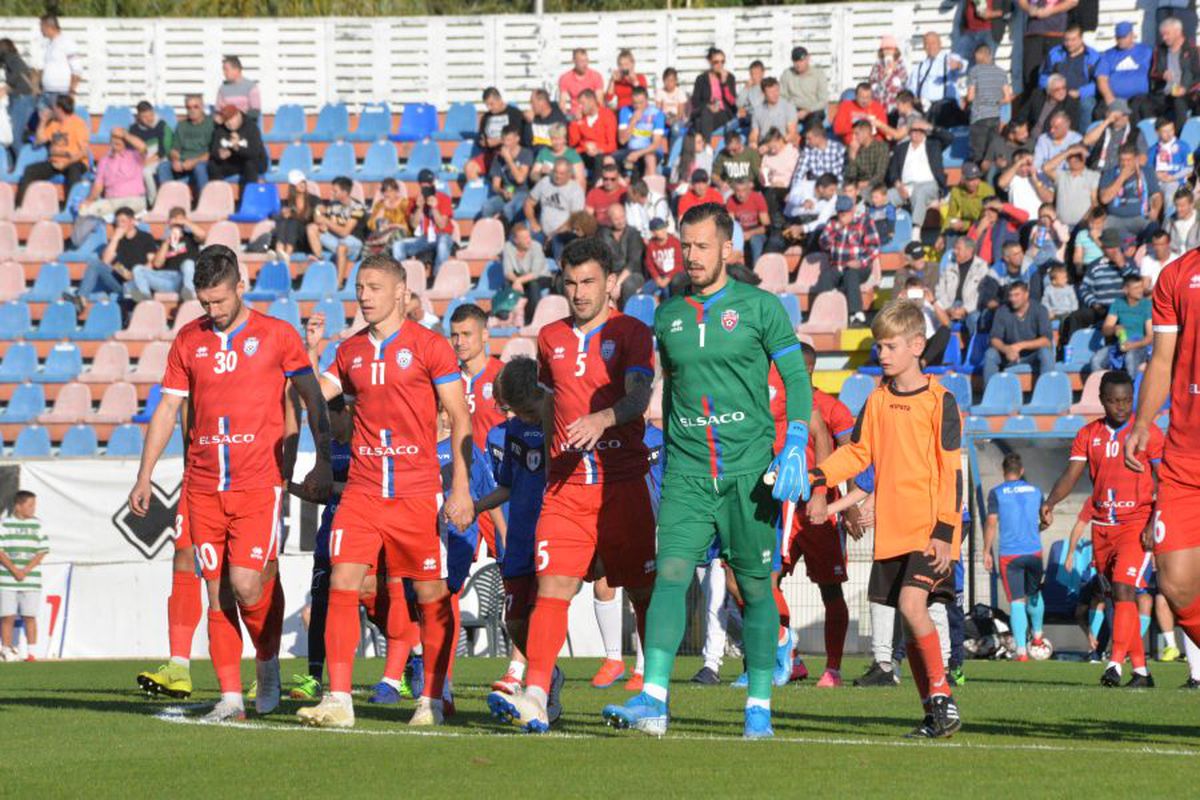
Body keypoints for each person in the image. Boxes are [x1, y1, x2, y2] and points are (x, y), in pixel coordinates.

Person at [602, 203, 814, 740]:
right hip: (688, 475)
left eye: (701, 246)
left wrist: (793, 444)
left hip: (749, 476)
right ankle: (652, 698)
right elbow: (669, 392)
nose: (690, 256)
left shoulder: (761, 308)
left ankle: (759, 705)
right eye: (685, 245)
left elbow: (796, 379)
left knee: (755, 590)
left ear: (726, 249)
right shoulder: (668, 315)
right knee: (671, 577)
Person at [130, 245, 332, 723]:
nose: (213, 311)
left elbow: (312, 399)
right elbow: (166, 409)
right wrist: (145, 474)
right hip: (202, 486)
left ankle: (266, 665)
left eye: (219, 301)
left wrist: (321, 460)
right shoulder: (188, 340)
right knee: (216, 587)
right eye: (205, 303)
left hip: (258, 482)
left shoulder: (278, 336)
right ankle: (230, 698)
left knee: (247, 583)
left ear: (241, 285)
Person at [486, 236, 655, 733]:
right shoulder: (549, 337)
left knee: (642, 593)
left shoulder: (632, 332)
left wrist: (603, 418)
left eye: (589, 282)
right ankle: (536, 694)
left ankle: (651, 693)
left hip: (622, 482)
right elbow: (550, 404)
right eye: (571, 282)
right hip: (564, 487)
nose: (579, 292)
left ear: (610, 283)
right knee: (552, 586)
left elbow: (639, 396)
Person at [296, 254, 470, 728]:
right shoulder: (349, 351)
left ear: (400, 293)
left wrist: (460, 486)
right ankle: (338, 699)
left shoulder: (430, 346)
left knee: (431, 594)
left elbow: (460, 417)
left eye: (374, 287)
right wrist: (301, 367)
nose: (364, 295)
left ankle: (433, 696)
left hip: (416, 491)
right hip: (364, 489)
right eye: (359, 287)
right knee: (341, 584)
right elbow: (314, 395)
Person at [810, 300, 963, 737]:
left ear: (918, 345)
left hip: (930, 530)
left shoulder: (941, 401)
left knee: (914, 606)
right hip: (891, 532)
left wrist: (944, 532)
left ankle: (943, 699)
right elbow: (857, 454)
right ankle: (933, 710)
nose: (882, 354)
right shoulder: (876, 400)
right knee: (908, 619)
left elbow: (951, 470)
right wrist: (818, 476)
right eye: (878, 346)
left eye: (890, 346)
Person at [1045, 371, 1163, 687]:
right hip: (1102, 526)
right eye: (1114, 401)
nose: (1121, 407)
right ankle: (1142, 672)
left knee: (1125, 589)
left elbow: (1164, 480)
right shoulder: (1088, 434)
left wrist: (1155, 521)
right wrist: (1051, 502)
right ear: (1102, 401)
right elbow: (1071, 475)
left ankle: (1114, 664)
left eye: (1126, 400)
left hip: (1137, 523)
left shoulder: (1147, 432)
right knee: (1117, 596)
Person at [1126, 222, 1200, 690]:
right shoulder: (1176, 275)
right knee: (1174, 582)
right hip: (1184, 456)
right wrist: (1141, 423)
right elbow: (1161, 360)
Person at [773, 342, 855, 687]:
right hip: (781, 506)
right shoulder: (778, 401)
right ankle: (789, 656)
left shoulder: (831, 407)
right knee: (766, 581)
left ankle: (833, 667)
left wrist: (851, 505)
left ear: (804, 369)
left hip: (820, 509)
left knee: (830, 590)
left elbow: (852, 455)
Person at [474, 356, 547, 697]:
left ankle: (538, 684)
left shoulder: (559, 426)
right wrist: (474, 508)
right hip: (519, 536)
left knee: (543, 607)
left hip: (551, 534)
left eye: (527, 409)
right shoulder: (511, 433)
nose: (523, 417)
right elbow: (506, 486)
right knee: (515, 620)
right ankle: (545, 673)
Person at [449, 303, 508, 555]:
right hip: (462, 485)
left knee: (511, 570)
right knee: (449, 572)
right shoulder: (446, 380)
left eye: (466, 334)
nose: (459, 341)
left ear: (485, 335)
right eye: (454, 335)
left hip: (498, 488)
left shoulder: (503, 376)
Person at [983, 454, 1047, 661]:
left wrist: (986, 551)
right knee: (1035, 593)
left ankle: (1021, 652)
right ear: (1021, 471)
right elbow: (1048, 519)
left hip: (1010, 555)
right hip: (1034, 551)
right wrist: (1035, 529)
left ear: (1004, 472)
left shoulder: (997, 493)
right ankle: (1037, 637)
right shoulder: (1036, 491)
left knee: (1017, 601)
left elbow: (991, 523)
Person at [818, 195, 881, 327]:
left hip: (860, 267)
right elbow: (823, 243)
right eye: (840, 212)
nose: (842, 215)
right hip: (838, 266)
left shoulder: (864, 221)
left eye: (845, 212)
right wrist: (837, 229)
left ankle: (856, 315)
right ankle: (827, 314)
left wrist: (861, 262)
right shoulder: (832, 223)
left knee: (851, 273)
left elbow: (874, 247)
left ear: (852, 210)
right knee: (826, 277)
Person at [15, 94, 88, 207]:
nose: (51, 110)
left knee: (74, 172)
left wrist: (66, 163)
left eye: (53, 107)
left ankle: (70, 208)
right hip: (54, 162)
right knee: (29, 171)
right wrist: (43, 121)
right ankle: (19, 206)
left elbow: (83, 152)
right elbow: (39, 140)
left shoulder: (78, 123)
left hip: (73, 161)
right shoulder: (53, 124)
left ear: (59, 109)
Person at [0, 491, 47, 662]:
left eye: (34, 505)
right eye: (30, 505)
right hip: (6, 579)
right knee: (7, 616)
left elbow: (42, 551)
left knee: (29, 616)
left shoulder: (39, 525)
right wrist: (14, 569)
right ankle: (5, 650)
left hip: (31, 579)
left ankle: (32, 653)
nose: (33, 509)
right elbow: (0, 550)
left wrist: (25, 570)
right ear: (18, 506)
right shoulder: (4, 524)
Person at [76, 206, 157, 303]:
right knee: (94, 263)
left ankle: (142, 301)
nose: (120, 225)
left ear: (132, 221)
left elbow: (151, 263)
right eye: (117, 222)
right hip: (121, 284)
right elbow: (106, 261)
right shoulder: (116, 240)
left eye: (123, 221)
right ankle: (81, 300)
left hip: (138, 283)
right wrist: (115, 238)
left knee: (134, 293)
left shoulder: (146, 237)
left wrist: (135, 276)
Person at [983, 280, 1054, 384]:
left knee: (1045, 352)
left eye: (1017, 295)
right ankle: (990, 395)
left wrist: (1020, 346)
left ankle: (1047, 393)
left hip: (1032, 355)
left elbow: (1046, 340)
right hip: (1008, 354)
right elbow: (994, 338)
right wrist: (1006, 349)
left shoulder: (1040, 310)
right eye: (1010, 295)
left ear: (1026, 295)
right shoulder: (1002, 310)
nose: (1012, 299)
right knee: (990, 354)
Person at [885, 116, 945, 237]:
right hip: (906, 186)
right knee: (887, 196)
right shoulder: (901, 148)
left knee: (920, 192)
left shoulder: (933, 145)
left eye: (919, 130)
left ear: (924, 131)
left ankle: (916, 231)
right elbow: (892, 171)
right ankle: (889, 231)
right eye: (913, 130)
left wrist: (929, 127)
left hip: (929, 184)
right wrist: (898, 184)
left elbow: (949, 137)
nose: (916, 133)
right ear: (909, 131)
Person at [1037, 24, 1100, 129]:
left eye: (1073, 40)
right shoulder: (1055, 53)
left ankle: (1083, 139)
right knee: (1037, 97)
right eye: (1066, 40)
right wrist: (1052, 89)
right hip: (1057, 92)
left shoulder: (1092, 56)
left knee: (1087, 105)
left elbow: (1099, 82)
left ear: (1081, 39)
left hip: (1081, 95)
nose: (1069, 44)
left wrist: (1080, 92)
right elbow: (1043, 76)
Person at [1091, 273, 1153, 376]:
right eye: (1136, 288)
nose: (1140, 290)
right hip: (1120, 345)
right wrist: (1114, 329)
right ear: (1126, 290)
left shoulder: (1147, 305)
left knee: (1130, 358)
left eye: (1141, 287)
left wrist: (1133, 345)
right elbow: (1105, 329)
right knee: (1096, 360)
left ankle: (1131, 390)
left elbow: (1150, 336)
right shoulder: (1118, 303)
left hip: (1140, 346)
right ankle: (1102, 389)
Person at [79, 128, 148, 218]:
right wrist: (88, 201)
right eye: (114, 138)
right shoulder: (104, 160)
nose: (116, 141)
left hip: (133, 199)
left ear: (125, 141)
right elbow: (98, 185)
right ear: (110, 141)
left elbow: (143, 147)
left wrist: (124, 134)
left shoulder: (135, 156)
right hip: (111, 201)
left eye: (119, 139)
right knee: (85, 212)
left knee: (123, 214)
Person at [135, 206, 201, 300]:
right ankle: (146, 302)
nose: (176, 223)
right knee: (138, 269)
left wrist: (185, 222)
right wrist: (166, 242)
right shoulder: (163, 242)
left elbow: (203, 235)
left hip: (183, 278)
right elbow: (157, 264)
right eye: (173, 219)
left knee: (188, 264)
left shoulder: (190, 237)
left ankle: (188, 294)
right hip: (166, 279)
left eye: (179, 220)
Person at [525, 158, 586, 260]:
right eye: (555, 172)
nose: (557, 176)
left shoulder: (576, 191)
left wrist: (554, 234)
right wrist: (533, 222)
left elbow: (575, 219)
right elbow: (529, 203)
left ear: (569, 174)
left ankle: (560, 270)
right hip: (541, 231)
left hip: (563, 233)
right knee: (526, 241)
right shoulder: (545, 182)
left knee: (559, 243)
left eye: (562, 174)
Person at [1098, 143, 1162, 240]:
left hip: (1140, 217)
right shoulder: (1109, 173)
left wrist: (1155, 209)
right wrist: (1122, 177)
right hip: (1115, 218)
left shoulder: (1147, 171)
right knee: (1100, 230)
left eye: (1128, 160)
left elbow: (1157, 195)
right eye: (1122, 160)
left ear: (1136, 159)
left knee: (1153, 228)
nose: (1125, 164)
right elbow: (1104, 199)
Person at [310, 176, 366, 285]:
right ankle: (320, 260)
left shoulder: (357, 207)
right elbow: (320, 220)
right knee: (312, 228)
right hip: (336, 239)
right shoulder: (333, 205)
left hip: (352, 242)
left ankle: (338, 284)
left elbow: (345, 232)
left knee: (342, 247)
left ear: (345, 192)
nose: (332, 193)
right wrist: (318, 212)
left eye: (335, 191)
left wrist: (326, 222)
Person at [1016, 0, 1077, 99]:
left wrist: (1051, 11)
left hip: (1056, 33)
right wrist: (1029, 8)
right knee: (1030, 77)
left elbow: (1073, 2)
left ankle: (1056, 110)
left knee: (1056, 74)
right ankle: (1033, 108)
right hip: (1033, 33)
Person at [1096, 21, 1155, 122]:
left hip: (1139, 97)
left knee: (1142, 108)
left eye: (1124, 37)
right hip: (1115, 97)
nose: (1121, 40)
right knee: (1099, 112)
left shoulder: (1146, 51)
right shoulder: (1108, 55)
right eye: (1118, 37)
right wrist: (1110, 99)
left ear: (1132, 35)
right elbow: (1101, 79)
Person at [397, 170, 455, 269]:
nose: (426, 188)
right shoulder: (414, 201)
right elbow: (414, 225)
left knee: (442, 244)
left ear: (433, 184)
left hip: (442, 235)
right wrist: (419, 208)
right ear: (419, 185)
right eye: (424, 186)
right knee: (398, 245)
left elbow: (442, 225)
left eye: (429, 185)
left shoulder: (444, 198)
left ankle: (438, 277)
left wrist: (434, 208)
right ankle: (400, 276)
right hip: (424, 238)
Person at [967, 44, 1013, 165]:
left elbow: (970, 97)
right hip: (995, 117)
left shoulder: (974, 71)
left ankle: (981, 181)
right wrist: (995, 102)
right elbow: (1007, 98)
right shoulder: (1001, 72)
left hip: (979, 117)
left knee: (979, 154)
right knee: (991, 153)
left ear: (978, 55)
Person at [907, 31, 966, 126]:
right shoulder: (919, 67)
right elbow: (911, 90)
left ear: (940, 44)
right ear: (923, 47)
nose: (930, 46)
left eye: (933, 43)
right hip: (925, 111)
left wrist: (959, 65)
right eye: (927, 44)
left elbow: (964, 67)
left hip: (946, 110)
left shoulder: (950, 59)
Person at [1149, 17, 1200, 125]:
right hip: (1164, 93)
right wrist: (1162, 75)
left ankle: (1180, 137)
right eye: (1162, 35)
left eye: (1167, 34)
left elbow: (1197, 75)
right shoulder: (1160, 51)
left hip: (1187, 93)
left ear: (1178, 32)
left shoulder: (1192, 50)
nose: (1164, 38)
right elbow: (1153, 73)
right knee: (1142, 103)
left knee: (1179, 101)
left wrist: (1185, 89)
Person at [163, 94, 213, 197]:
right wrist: (175, 160)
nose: (192, 110)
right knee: (163, 167)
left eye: (196, 107)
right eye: (188, 107)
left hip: (203, 161)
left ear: (202, 107)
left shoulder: (211, 124)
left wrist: (195, 161)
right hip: (183, 162)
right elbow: (174, 149)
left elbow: (213, 152)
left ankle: (204, 201)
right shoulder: (182, 125)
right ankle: (168, 200)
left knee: (199, 168)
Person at [207, 105, 266, 194]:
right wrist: (220, 154)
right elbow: (214, 150)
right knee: (213, 165)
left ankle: (249, 199)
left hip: (254, 161)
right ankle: (218, 197)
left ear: (238, 115)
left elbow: (255, 153)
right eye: (226, 121)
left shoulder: (251, 127)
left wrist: (237, 148)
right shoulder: (221, 129)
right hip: (233, 162)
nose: (229, 123)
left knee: (249, 164)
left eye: (231, 119)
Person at [472, 87, 526, 182]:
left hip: (511, 153)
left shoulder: (514, 113)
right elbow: (481, 137)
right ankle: (477, 194)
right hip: (491, 154)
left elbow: (519, 135)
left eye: (491, 104)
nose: (489, 107)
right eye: (487, 105)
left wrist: (497, 141)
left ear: (500, 100)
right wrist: (483, 142)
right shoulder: (486, 117)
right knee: (469, 167)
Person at [481, 124, 533, 223]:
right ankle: (489, 234)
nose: (505, 143)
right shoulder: (498, 157)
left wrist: (508, 159)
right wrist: (502, 191)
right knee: (487, 206)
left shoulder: (526, 153)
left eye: (509, 140)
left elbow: (520, 179)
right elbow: (495, 185)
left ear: (517, 139)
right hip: (506, 193)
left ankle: (508, 236)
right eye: (504, 140)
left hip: (522, 193)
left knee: (508, 208)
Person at [502, 224, 551, 324]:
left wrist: (518, 281)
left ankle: (532, 318)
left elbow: (535, 273)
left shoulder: (536, 246)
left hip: (541, 277)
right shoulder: (508, 247)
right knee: (507, 284)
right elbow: (508, 272)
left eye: (529, 236)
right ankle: (504, 314)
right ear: (516, 240)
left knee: (533, 285)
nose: (528, 240)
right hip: (519, 277)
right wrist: (517, 281)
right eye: (524, 238)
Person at [1041, 143, 1098, 228]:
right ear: (1067, 159)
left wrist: (1085, 222)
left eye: (1079, 155)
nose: (1076, 158)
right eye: (1073, 156)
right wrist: (1069, 152)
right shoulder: (1061, 175)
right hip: (1061, 226)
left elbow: (1094, 202)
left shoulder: (1094, 175)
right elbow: (1046, 168)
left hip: (1083, 226)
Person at [32, 14, 82, 110]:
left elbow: (77, 69)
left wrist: (71, 92)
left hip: (61, 93)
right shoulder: (49, 43)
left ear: (48, 26)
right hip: (46, 92)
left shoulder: (67, 42)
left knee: (59, 123)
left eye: (41, 26)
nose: (40, 30)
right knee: (44, 121)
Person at [1081, 100, 1144, 174]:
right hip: (1096, 171)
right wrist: (1108, 121)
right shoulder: (1100, 128)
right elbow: (1086, 141)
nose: (1122, 117)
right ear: (1108, 114)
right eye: (1117, 115)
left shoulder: (1136, 132)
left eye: (1125, 114)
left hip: (1120, 173)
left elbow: (1143, 158)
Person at [615, 86, 666, 178]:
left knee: (649, 158)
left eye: (641, 103)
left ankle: (651, 189)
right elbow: (622, 140)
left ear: (647, 100)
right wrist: (633, 121)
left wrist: (638, 154)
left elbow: (655, 144)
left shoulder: (657, 114)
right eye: (635, 103)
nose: (638, 106)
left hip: (649, 150)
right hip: (630, 149)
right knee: (609, 160)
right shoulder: (625, 111)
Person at [127, 101, 172, 206]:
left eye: (151, 115)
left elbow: (163, 150)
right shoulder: (133, 129)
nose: (149, 119)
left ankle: (153, 202)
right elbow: (130, 150)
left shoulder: (162, 125)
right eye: (144, 116)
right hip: (141, 159)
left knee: (145, 171)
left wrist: (146, 162)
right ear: (138, 117)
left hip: (159, 159)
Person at [602, 204, 646, 306]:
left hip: (632, 274)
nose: (621, 221)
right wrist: (610, 281)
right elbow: (602, 261)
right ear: (610, 220)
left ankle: (627, 317)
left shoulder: (633, 233)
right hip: (612, 274)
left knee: (628, 285)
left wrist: (617, 284)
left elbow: (633, 263)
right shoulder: (604, 234)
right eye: (616, 219)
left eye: (622, 217)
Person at [568, 89, 618, 179]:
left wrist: (598, 149)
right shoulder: (581, 118)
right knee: (568, 156)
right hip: (583, 152)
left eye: (582, 103)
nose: (580, 107)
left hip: (601, 153)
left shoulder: (607, 115)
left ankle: (596, 189)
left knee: (599, 158)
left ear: (592, 101)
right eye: (579, 104)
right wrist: (576, 122)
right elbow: (573, 142)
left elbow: (612, 145)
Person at [690, 47, 737, 140]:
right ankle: (707, 146)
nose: (720, 65)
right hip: (706, 112)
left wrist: (724, 83)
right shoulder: (701, 79)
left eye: (722, 62)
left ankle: (707, 145)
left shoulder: (729, 77)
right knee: (704, 116)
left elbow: (732, 102)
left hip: (724, 114)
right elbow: (695, 101)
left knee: (702, 122)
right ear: (710, 61)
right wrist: (708, 106)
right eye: (716, 62)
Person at [942, 162, 995, 243]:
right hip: (966, 225)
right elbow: (951, 215)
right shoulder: (956, 191)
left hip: (984, 225)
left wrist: (965, 225)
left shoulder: (987, 190)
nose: (975, 183)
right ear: (963, 179)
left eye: (977, 178)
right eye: (971, 179)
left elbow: (989, 217)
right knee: (950, 232)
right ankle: (951, 254)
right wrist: (942, 235)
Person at [272, 171, 319, 261]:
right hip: (292, 240)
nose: (302, 184)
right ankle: (280, 250)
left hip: (306, 239)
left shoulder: (313, 200)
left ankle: (285, 255)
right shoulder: (288, 202)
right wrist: (283, 214)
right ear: (293, 186)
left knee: (293, 221)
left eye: (303, 182)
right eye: (299, 182)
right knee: (284, 220)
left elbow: (317, 215)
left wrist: (294, 215)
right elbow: (275, 217)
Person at [725, 177, 770, 267]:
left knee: (755, 240)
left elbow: (767, 227)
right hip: (740, 233)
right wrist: (739, 236)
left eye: (744, 190)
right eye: (737, 191)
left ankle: (756, 271)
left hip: (757, 233)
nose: (740, 194)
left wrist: (750, 233)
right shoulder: (731, 201)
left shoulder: (758, 198)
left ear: (749, 190)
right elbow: (731, 226)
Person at [780, 46, 828, 127]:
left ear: (808, 58)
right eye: (795, 61)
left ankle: (809, 138)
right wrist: (791, 110)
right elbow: (782, 96)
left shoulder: (818, 74)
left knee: (814, 122)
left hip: (812, 110)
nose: (798, 64)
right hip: (793, 109)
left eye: (801, 61)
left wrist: (807, 111)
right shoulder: (787, 74)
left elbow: (823, 101)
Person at [1148, 117, 1192, 205]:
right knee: (1152, 199)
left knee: (1169, 193)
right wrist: (1156, 175)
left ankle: (1169, 217)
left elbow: (1190, 167)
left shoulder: (1184, 146)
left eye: (1171, 130)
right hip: (1158, 182)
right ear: (1157, 132)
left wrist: (1173, 177)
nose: (1169, 134)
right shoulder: (1153, 149)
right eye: (1165, 131)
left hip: (1177, 182)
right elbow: (1148, 170)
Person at [364, 178, 411, 258]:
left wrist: (392, 226)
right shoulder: (380, 204)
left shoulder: (405, 203)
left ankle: (382, 260)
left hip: (400, 231)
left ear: (396, 192)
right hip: (382, 234)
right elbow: (372, 226)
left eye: (390, 191)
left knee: (395, 235)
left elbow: (408, 225)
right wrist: (383, 209)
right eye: (384, 191)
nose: (387, 194)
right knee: (366, 247)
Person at [844, 119, 890, 197]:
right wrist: (852, 156)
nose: (854, 137)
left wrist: (867, 183)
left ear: (866, 132)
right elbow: (850, 176)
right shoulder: (853, 148)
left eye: (856, 134)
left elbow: (880, 175)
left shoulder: (881, 147)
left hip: (876, 186)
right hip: (856, 186)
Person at [531, 122, 586, 186]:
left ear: (564, 139)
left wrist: (555, 174)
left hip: (567, 190)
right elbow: (533, 174)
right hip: (547, 190)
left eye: (559, 139)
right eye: (554, 139)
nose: (557, 142)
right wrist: (540, 173)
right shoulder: (544, 152)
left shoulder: (573, 155)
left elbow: (580, 180)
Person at [749, 78, 797, 150]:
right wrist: (753, 142)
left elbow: (792, 133)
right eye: (771, 92)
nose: (775, 94)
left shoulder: (788, 107)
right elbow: (754, 133)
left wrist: (772, 146)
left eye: (776, 90)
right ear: (764, 93)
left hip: (782, 145)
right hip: (763, 145)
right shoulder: (757, 110)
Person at [642, 218, 685, 297]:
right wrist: (657, 278)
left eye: (664, 228)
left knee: (667, 291)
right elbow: (649, 264)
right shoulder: (651, 245)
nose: (663, 231)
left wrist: (668, 278)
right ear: (653, 233)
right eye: (660, 229)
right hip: (659, 276)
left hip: (674, 275)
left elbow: (679, 264)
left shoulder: (675, 242)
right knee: (645, 290)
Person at [559, 48, 604, 120]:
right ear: (574, 61)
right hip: (574, 115)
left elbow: (600, 102)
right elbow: (562, 104)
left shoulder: (596, 76)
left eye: (586, 60)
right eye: (581, 61)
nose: (585, 64)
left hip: (591, 113)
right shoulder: (565, 78)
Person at [1032, 109, 1083, 173]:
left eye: (1056, 128)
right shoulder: (1043, 138)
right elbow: (1037, 163)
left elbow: (1072, 168)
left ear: (1067, 126)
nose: (1051, 130)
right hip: (1042, 175)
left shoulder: (1077, 140)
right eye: (1051, 127)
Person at [869, 36, 909, 114]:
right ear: (881, 51)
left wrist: (895, 72)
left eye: (890, 49)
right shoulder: (878, 64)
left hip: (895, 103)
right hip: (880, 101)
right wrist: (883, 74)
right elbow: (872, 81)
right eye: (885, 49)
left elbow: (905, 82)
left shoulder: (900, 64)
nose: (888, 51)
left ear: (895, 50)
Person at [215, 55, 261, 122]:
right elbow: (217, 111)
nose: (224, 73)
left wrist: (236, 117)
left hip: (246, 124)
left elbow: (255, 112)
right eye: (223, 70)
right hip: (226, 124)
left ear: (236, 69)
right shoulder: (222, 88)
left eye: (226, 69)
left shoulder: (251, 86)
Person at [585, 163, 627, 228]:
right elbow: (588, 217)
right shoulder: (594, 193)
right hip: (600, 230)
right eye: (605, 179)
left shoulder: (625, 193)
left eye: (612, 179)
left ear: (618, 178)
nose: (608, 182)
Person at [656, 67, 690, 140]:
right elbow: (658, 110)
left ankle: (673, 151)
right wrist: (665, 120)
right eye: (667, 80)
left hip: (678, 118)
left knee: (675, 128)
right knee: (655, 128)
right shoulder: (660, 92)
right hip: (665, 118)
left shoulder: (680, 92)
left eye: (671, 81)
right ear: (663, 80)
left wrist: (673, 120)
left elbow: (680, 112)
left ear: (676, 81)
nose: (669, 83)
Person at [1169, 189, 1200, 255]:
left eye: (1182, 206)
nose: (1178, 209)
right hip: (1174, 260)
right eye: (1176, 205)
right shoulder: (1169, 221)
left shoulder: (1198, 221)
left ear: (1191, 204)